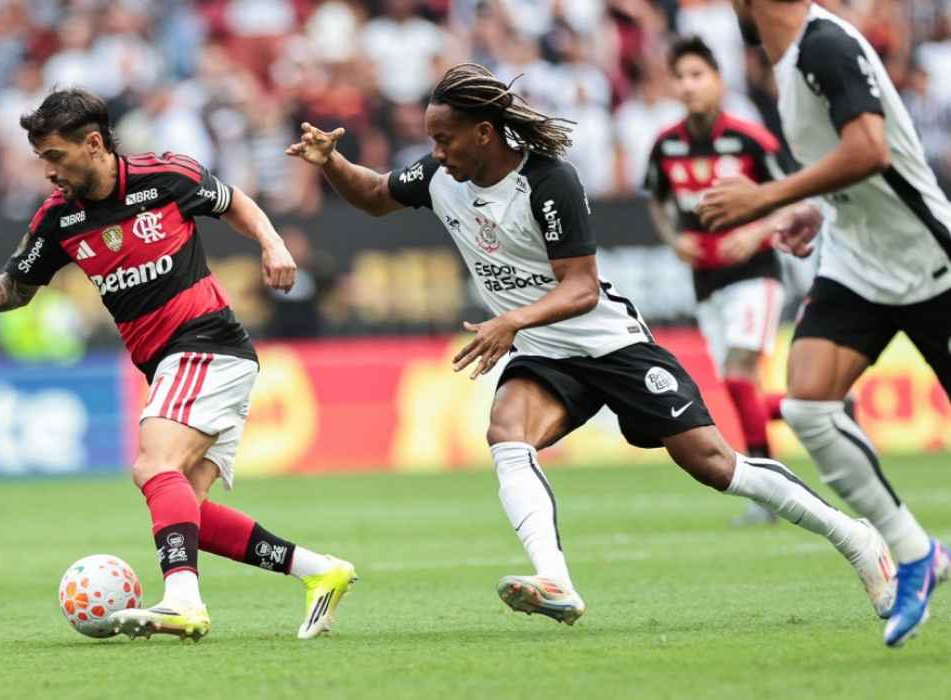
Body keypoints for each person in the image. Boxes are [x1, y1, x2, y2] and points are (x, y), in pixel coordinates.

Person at [287, 62, 892, 628]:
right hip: (545, 352)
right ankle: (556, 581)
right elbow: (373, 196)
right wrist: (330, 162)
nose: (436, 153)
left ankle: (854, 537)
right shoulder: (442, 175)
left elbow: (579, 288)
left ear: (486, 133)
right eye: (433, 141)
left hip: (610, 344)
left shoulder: (549, 183)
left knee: (713, 464)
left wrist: (510, 321)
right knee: (507, 434)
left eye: (446, 139)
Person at [0, 88, 357, 642]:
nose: (47, 171)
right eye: (41, 158)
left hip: (206, 343)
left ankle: (183, 601)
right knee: (188, 510)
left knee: (150, 466)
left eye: (54, 156)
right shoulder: (59, 219)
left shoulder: (166, 176)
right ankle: (319, 570)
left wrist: (273, 245)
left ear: (93, 144)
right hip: (179, 365)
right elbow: (17, 288)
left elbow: (234, 202)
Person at [701, 0, 951, 647]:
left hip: (927, 261)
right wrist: (817, 207)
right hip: (857, 264)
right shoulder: (786, 62)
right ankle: (915, 552)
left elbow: (870, 150)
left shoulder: (824, 48)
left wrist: (767, 196)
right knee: (810, 405)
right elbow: (853, 160)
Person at [644, 36, 786, 527]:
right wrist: (672, 239)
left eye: (697, 75)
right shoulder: (666, 145)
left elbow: (792, 196)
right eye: (680, 77)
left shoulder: (751, 139)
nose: (688, 86)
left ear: (718, 81)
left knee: (740, 373)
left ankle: (768, 493)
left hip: (755, 274)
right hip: (706, 281)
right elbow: (656, 203)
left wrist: (759, 231)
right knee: (739, 385)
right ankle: (817, 406)